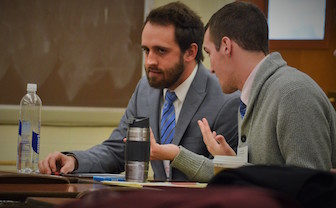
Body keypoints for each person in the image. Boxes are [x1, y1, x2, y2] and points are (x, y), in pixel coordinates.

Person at [38, 2, 240, 181]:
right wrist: (74, 160)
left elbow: (225, 176)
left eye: (161, 51)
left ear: (190, 52)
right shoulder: (145, 90)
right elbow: (118, 149)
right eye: (146, 50)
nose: (150, 60)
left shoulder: (226, 100)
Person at [173, 1, 336, 182]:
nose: (210, 68)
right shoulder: (252, 96)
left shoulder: (293, 94)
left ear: (226, 46)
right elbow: (261, 178)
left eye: (209, 53)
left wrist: (238, 167)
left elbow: (310, 188)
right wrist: (230, 163)